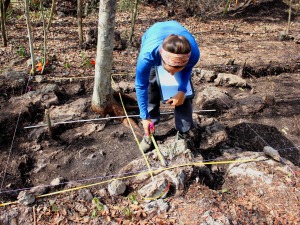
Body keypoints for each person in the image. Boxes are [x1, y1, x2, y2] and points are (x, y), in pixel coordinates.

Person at [135, 20, 200, 152]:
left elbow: (187, 71)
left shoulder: (193, 54)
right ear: (161, 59)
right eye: (169, 69)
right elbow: (141, 86)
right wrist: (144, 117)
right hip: (153, 34)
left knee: (185, 93)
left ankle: (184, 131)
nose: (171, 74)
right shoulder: (148, 56)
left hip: (179, 37)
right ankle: (149, 129)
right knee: (151, 85)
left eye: (176, 70)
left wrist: (181, 91)